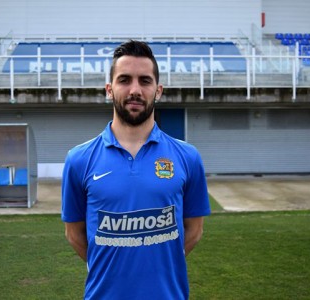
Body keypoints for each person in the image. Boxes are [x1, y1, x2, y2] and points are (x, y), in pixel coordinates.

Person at [61, 40, 211, 299]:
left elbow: (194, 231)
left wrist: (158, 261)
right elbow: (74, 234)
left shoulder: (187, 157)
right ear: (109, 89)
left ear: (158, 90)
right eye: (124, 80)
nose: (135, 90)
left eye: (144, 81)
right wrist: (109, 264)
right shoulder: (79, 159)